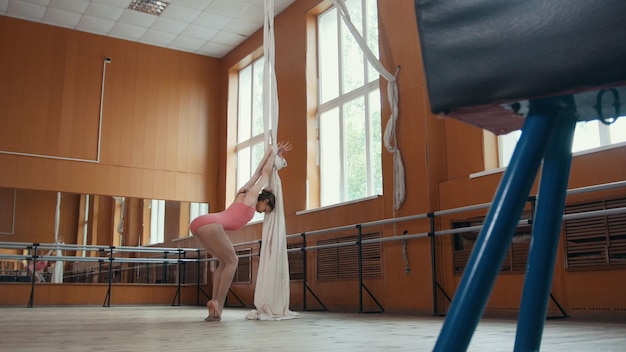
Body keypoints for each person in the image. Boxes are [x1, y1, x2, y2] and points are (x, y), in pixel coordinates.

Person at [190, 141, 292, 322]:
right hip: (211, 224)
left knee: (224, 261)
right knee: (233, 260)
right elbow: (265, 173)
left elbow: (257, 172)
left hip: (199, 224)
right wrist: (274, 152)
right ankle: (218, 304)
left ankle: (214, 309)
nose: (261, 212)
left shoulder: (242, 192)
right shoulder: (252, 197)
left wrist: (270, 154)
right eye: (265, 210)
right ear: (266, 201)